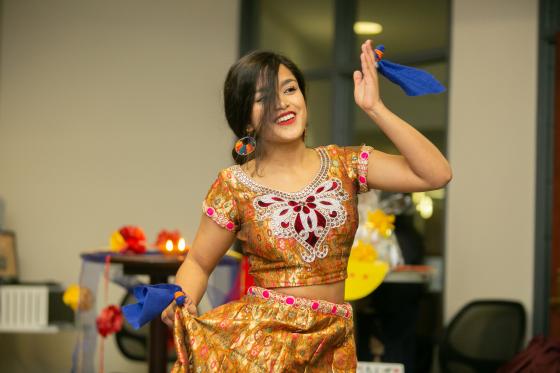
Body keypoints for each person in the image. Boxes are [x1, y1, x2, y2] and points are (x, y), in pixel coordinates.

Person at [160, 40, 452, 372]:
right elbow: (198, 261)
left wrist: (375, 108)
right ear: (246, 123)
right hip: (262, 347)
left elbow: (437, 174)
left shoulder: (345, 164)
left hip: (333, 342)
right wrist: (184, 298)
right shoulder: (233, 185)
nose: (282, 103)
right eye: (262, 98)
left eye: (289, 89)